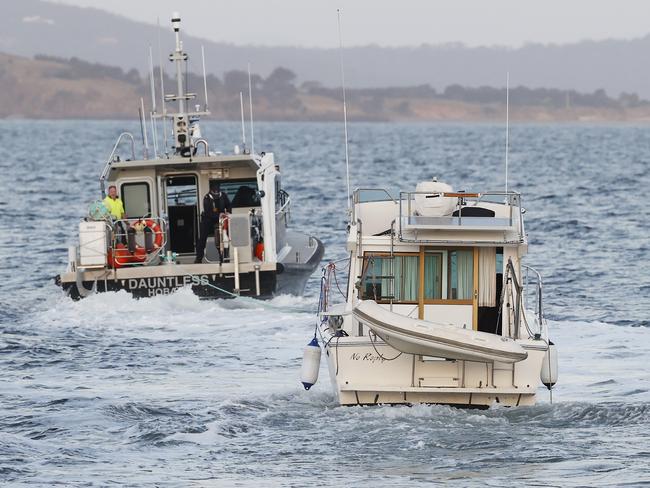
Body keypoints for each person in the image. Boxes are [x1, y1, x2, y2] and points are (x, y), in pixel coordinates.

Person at [195, 181, 232, 264]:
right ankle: (198, 258)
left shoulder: (223, 195)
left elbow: (229, 205)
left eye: (217, 190)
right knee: (202, 239)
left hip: (220, 220)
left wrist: (228, 212)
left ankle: (224, 257)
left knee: (223, 238)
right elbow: (208, 212)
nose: (216, 192)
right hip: (208, 220)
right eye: (214, 190)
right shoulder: (207, 198)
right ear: (211, 190)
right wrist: (219, 214)